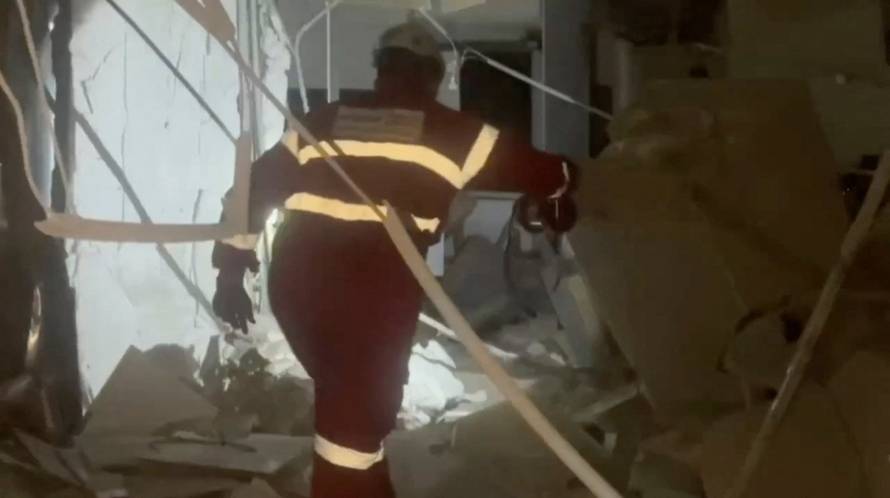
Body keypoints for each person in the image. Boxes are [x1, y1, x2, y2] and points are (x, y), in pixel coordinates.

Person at [211, 21, 578, 498]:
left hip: (298, 285)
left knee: (351, 408)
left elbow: (250, 191)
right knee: (355, 423)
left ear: (380, 68)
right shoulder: (460, 134)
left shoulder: (322, 121)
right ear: (435, 75)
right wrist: (556, 203)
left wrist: (232, 271)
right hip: (373, 287)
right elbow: (553, 173)